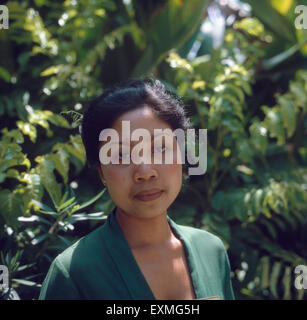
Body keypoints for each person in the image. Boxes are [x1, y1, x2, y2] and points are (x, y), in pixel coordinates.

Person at [39, 78, 235, 300]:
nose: (145, 171)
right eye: (121, 155)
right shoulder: (74, 273)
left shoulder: (211, 252)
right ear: (102, 172)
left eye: (160, 148)